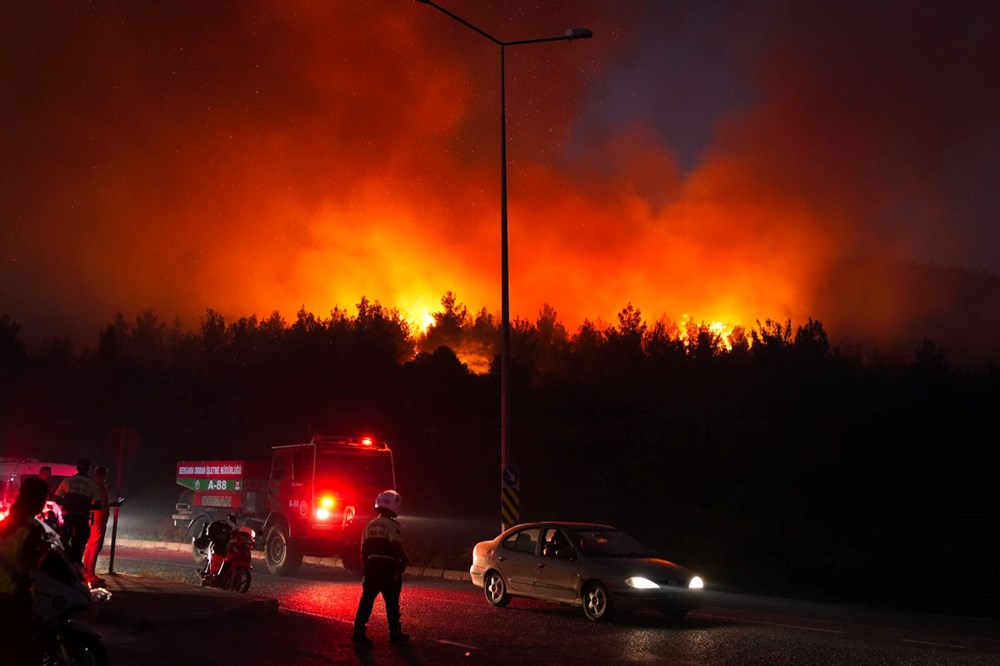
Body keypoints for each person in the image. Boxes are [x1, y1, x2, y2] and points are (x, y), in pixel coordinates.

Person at [0, 478, 50, 665]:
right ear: (38, 499)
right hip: (13, 593)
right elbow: (31, 564)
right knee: (23, 648)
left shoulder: (8, 521)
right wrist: (43, 555)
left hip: (3, 589)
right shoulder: (33, 527)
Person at [352, 489, 410, 645]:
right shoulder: (392, 525)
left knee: (366, 601)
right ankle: (394, 634)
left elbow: (363, 550)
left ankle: (358, 633)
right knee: (392, 603)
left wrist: (365, 569)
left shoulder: (368, 526)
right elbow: (396, 545)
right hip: (387, 568)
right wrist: (405, 560)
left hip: (371, 568)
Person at [53, 458, 102, 565]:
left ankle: (58, 564)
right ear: (89, 469)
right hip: (81, 519)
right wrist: (84, 506)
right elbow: (98, 505)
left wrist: (67, 503)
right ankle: (76, 565)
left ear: (77, 468)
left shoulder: (67, 481)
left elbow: (56, 498)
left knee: (62, 543)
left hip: (67, 517)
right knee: (79, 544)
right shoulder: (93, 485)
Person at [82, 465, 122, 587]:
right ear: (104, 475)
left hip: (94, 518)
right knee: (95, 546)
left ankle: (86, 571)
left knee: (90, 545)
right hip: (99, 518)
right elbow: (100, 503)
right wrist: (112, 505)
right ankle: (90, 573)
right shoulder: (99, 487)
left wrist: (112, 504)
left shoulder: (94, 486)